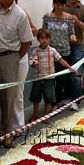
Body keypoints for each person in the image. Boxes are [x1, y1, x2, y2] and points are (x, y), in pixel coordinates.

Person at [0, 0, 33, 147]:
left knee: (9, 96)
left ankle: (7, 133)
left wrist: (13, 59)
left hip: (9, 56)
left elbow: (26, 42)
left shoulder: (20, 15)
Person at [29, 28, 77, 124]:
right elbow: (32, 63)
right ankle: (35, 114)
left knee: (48, 98)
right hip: (38, 78)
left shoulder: (52, 51)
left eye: (46, 38)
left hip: (49, 79)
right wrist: (33, 63)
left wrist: (69, 67)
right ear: (38, 39)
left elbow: (60, 60)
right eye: (41, 38)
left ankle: (46, 115)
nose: (44, 40)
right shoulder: (35, 51)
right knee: (36, 98)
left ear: (49, 39)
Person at [43, 0, 77, 111]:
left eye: (62, 5)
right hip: (50, 52)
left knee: (61, 79)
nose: (60, 7)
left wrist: (72, 37)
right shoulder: (47, 16)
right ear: (54, 4)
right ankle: (50, 103)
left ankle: (56, 103)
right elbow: (43, 33)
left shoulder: (69, 18)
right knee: (50, 80)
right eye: (58, 4)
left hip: (64, 53)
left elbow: (71, 32)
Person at [13, 0, 37, 129]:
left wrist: (24, 30)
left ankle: (17, 126)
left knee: (17, 93)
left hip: (19, 55)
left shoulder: (21, 13)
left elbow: (34, 30)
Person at [65, 0, 84, 111]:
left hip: (77, 46)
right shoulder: (63, 7)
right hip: (62, 45)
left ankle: (76, 101)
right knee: (63, 74)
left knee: (76, 74)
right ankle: (62, 100)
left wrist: (77, 22)